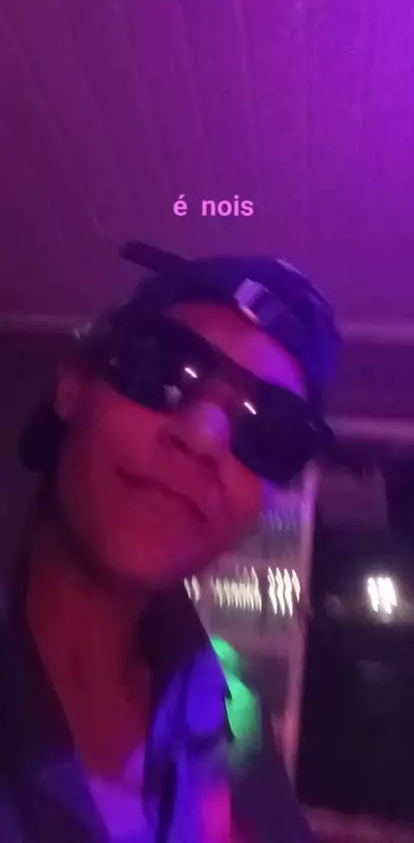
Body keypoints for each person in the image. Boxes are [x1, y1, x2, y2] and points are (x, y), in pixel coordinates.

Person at [0, 243, 339, 842]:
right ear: (72, 385)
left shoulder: (238, 731)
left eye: (270, 432)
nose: (204, 439)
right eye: (164, 368)